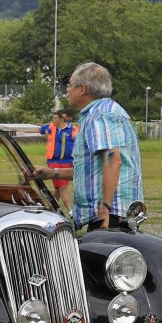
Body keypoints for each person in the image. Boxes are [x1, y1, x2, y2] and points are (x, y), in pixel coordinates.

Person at [63, 62, 143, 231]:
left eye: (69, 85)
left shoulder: (100, 115)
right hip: (112, 212)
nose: (67, 90)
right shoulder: (104, 111)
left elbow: (113, 160)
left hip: (110, 213)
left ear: (82, 89)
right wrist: (52, 173)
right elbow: (92, 170)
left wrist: (104, 210)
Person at [39, 108, 79, 210]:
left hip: (69, 162)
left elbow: (79, 142)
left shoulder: (73, 129)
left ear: (62, 119)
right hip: (54, 161)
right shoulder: (51, 127)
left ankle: (51, 208)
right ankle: (70, 211)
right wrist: (18, 130)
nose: (53, 120)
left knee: (58, 188)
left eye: (55, 118)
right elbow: (39, 130)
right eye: (53, 118)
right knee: (63, 186)